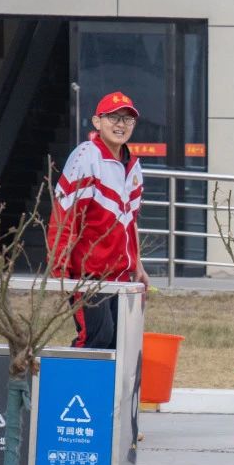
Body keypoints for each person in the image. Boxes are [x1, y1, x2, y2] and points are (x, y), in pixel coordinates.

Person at [48, 91, 149, 349]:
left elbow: (130, 221)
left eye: (127, 119)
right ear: (97, 121)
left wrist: (138, 265)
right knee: (96, 338)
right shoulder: (86, 156)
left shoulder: (133, 164)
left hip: (121, 275)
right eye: (113, 117)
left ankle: (102, 381)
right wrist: (60, 268)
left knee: (118, 343)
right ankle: (70, 378)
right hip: (89, 274)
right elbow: (64, 215)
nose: (120, 124)